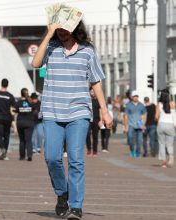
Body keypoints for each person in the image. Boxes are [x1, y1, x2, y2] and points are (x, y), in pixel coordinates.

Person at [31, 4, 112, 219]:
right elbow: (35, 63)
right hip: (52, 111)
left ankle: (76, 206)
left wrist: (105, 111)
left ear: (75, 27)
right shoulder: (51, 48)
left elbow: (96, 82)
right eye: (59, 28)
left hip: (79, 112)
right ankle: (62, 193)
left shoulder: (87, 51)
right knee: (51, 157)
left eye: (65, 27)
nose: (62, 31)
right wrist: (49, 33)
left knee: (76, 159)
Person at [0, 78, 15, 160]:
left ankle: (2, 149)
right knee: (6, 135)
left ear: (1, 84)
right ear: (7, 85)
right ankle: (4, 154)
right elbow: (12, 109)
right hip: (7, 118)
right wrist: (13, 120)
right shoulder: (10, 96)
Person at [123, 90, 147, 158]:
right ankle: (132, 150)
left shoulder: (141, 105)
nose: (135, 98)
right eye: (134, 96)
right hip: (131, 125)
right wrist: (125, 126)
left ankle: (138, 152)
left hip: (139, 125)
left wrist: (143, 124)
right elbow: (126, 116)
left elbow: (145, 114)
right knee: (130, 138)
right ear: (132, 97)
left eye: (137, 96)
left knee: (139, 140)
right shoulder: (129, 105)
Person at [155, 89, 175, 168]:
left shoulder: (159, 104)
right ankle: (171, 156)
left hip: (161, 125)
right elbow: (174, 115)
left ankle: (163, 163)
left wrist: (157, 119)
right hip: (170, 125)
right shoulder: (172, 104)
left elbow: (156, 116)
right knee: (169, 143)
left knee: (162, 144)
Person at [14, 88, 34, 161]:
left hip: (21, 123)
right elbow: (34, 111)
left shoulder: (18, 103)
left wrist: (14, 126)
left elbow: (15, 113)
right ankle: (29, 155)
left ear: (21, 94)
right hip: (29, 122)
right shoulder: (30, 102)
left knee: (22, 140)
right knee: (29, 140)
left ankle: (22, 156)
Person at [86, 87, 102, 156]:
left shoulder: (97, 100)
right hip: (88, 120)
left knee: (95, 136)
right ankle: (89, 149)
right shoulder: (86, 100)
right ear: (89, 92)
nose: (92, 92)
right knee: (87, 135)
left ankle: (95, 151)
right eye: (91, 91)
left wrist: (101, 120)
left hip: (96, 120)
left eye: (94, 91)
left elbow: (100, 110)